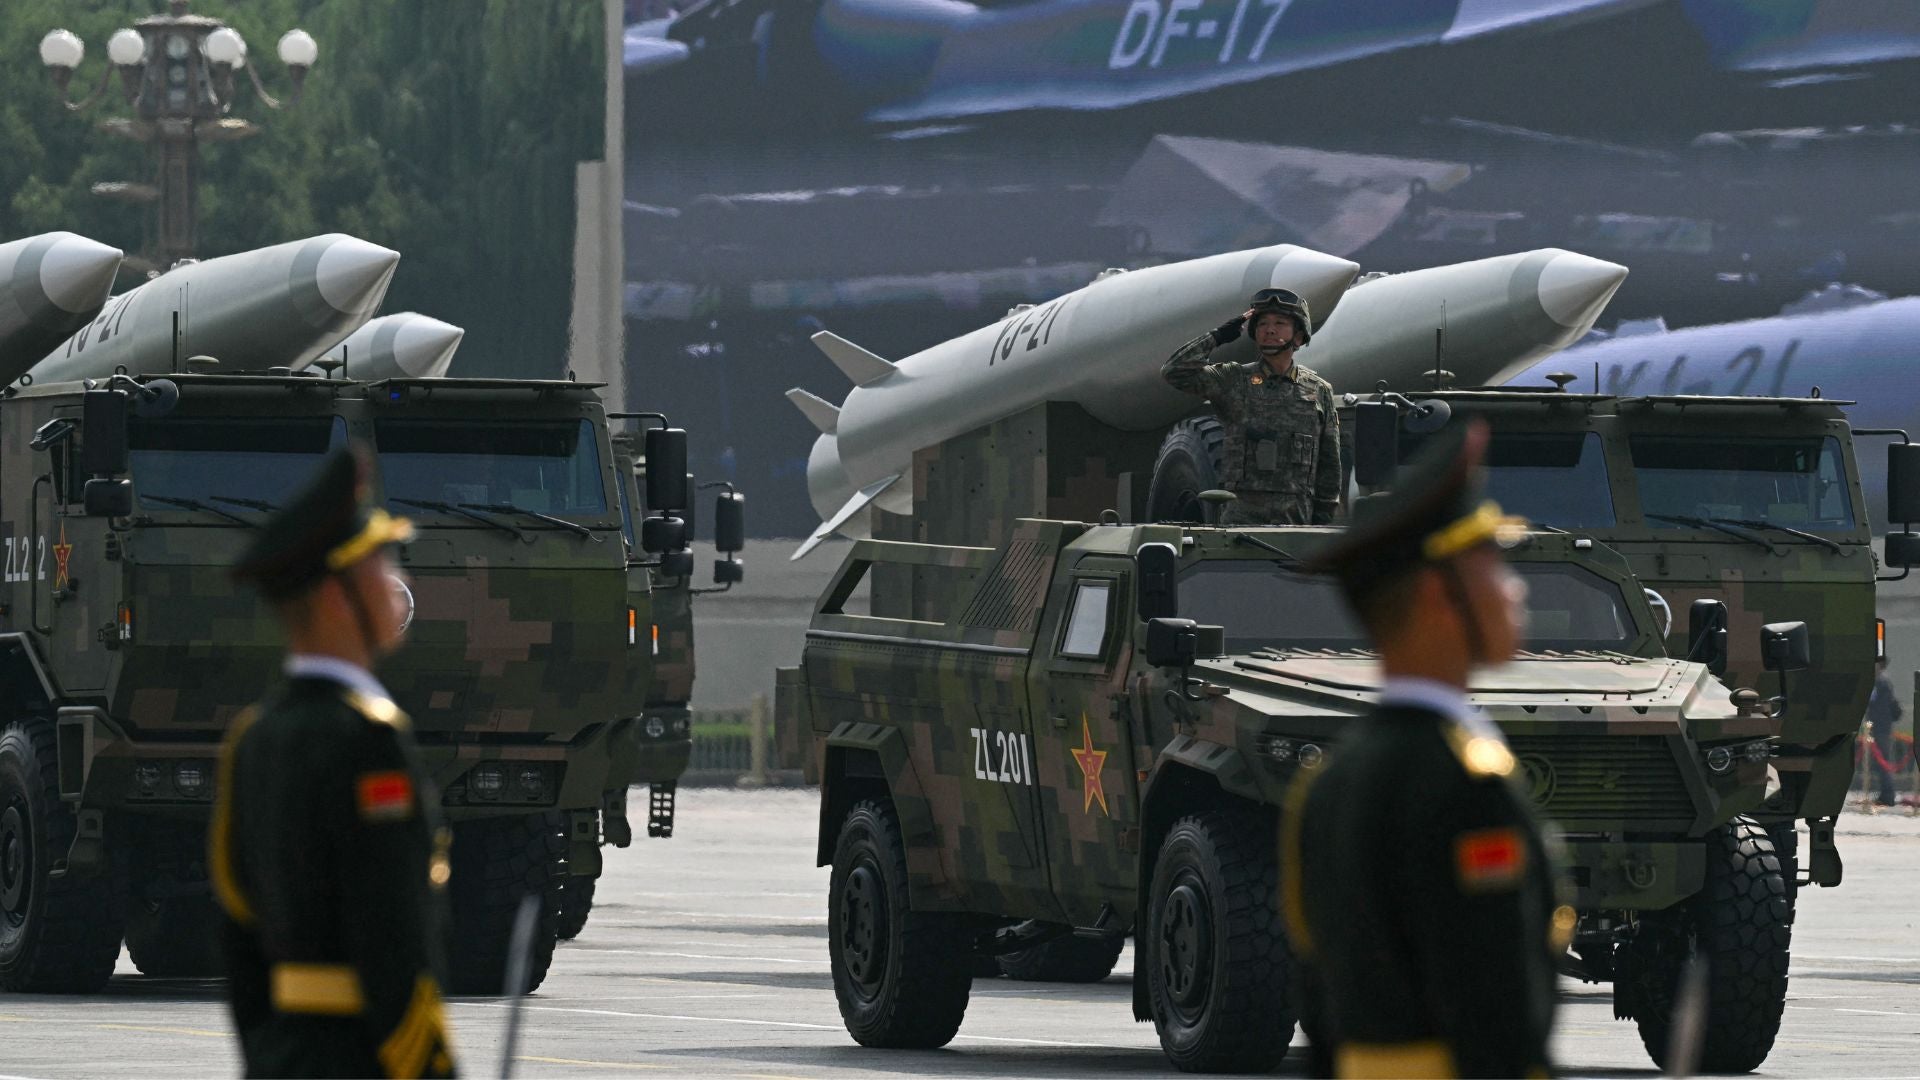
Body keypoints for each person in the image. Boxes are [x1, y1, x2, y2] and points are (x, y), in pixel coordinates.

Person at [1281, 420, 1569, 1078]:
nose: (1516, 588)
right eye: (1493, 563)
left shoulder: (1329, 783)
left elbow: (1322, 1010)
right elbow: (1492, 1015)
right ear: (1442, 597)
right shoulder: (1462, 783)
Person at [210, 447, 459, 1078]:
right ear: (335, 598)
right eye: (378, 563)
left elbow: (240, 936)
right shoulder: (367, 739)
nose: (395, 583)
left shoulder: (254, 739)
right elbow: (391, 940)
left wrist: (272, 1059)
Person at [1161, 287, 1341, 526]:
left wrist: (1321, 526)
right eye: (1262, 323)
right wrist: (1218, 337)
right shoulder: (1234, 379)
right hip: (1240, 523)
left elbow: (1330, 466)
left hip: (1297, 522)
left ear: (1298, 336)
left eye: (1280, 323)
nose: (1269, 329)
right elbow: (1174, 371)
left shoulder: (1319, 390)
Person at [1868, 655, 1904, 806]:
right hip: (1881, 726)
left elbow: (1877, 706)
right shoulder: (1881, 681)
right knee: (1880, 762)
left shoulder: (1880, 682)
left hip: (1881, 727)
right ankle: (1885, 793)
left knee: (1882, 762)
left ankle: (1888, 795)